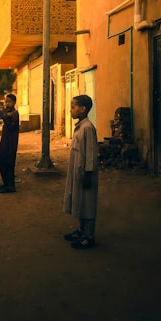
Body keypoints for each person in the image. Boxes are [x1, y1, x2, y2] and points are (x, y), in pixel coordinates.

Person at [63, 95, 99, 249]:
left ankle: (89, 237)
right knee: (80, 201)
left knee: (88, 203)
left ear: (83, 109)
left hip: (86, 173)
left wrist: (89, 173)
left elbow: (91, 154)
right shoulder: (80, 127)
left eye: (73, 107)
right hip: (78, 171)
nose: (70, 110)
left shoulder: (88, 128)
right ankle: (81, 230)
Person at [0, 94, 19, 194]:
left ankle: (10, 186)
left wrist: (5, 117)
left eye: (9, 102)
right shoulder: (8, 113)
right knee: (1, 161)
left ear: (14, 102)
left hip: (11, 143)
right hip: (5, 141)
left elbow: (12, 127)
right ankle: (6, 184)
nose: (7, 104)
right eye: (6, 102)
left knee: (9, 163)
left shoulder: (15, 114)